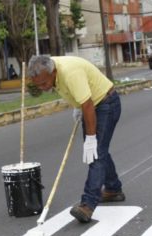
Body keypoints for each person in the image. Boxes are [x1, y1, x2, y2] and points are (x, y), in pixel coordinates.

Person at [27, 55, 125, 223]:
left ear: (54, 72)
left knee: (95, 152)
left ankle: (87, 205)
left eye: (44, 83)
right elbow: (81, 100)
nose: (43, 88)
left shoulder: (70, 73)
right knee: (97, 150)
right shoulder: (49, 70)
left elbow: (87, 104)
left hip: (105, 104)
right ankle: (113, 188)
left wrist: (91, 137)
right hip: (92, 105)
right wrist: (77, 107)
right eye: (38, 85)